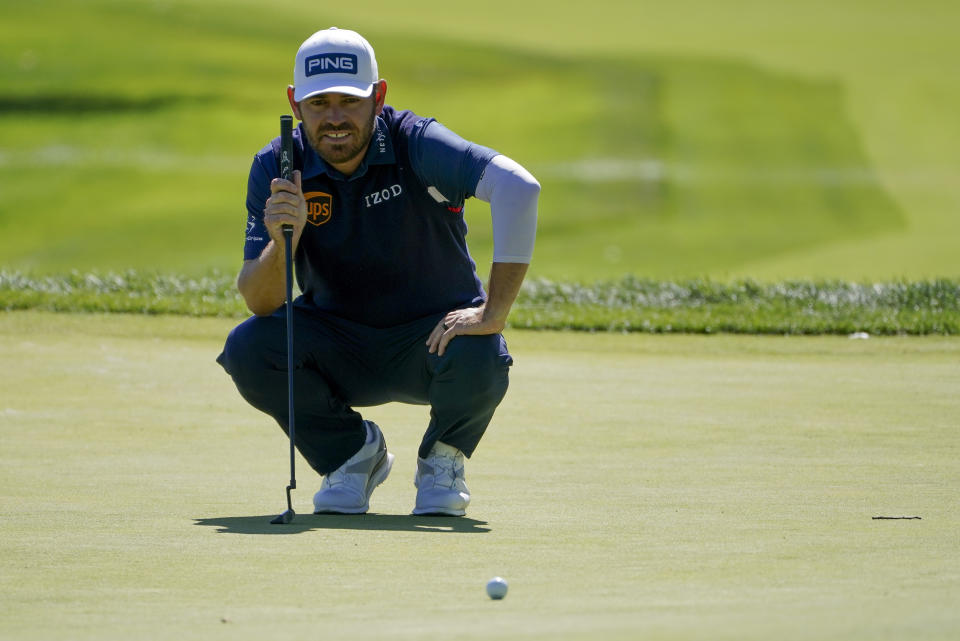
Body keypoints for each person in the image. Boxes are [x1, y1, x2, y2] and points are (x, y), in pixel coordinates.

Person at [217, 27, 539, 517]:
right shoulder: (278, 166)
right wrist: (288, 236)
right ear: (294, 103)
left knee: (482, 347)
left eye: (350, 100)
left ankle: (442, 461)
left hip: (434, 340)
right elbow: (260, 301)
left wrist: (493, 311)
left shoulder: (418, 143)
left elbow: (519, 187)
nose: (335, 118)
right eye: (319, 103)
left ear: (379, 97)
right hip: (338, 341)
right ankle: (352, 457)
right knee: (249, 348)